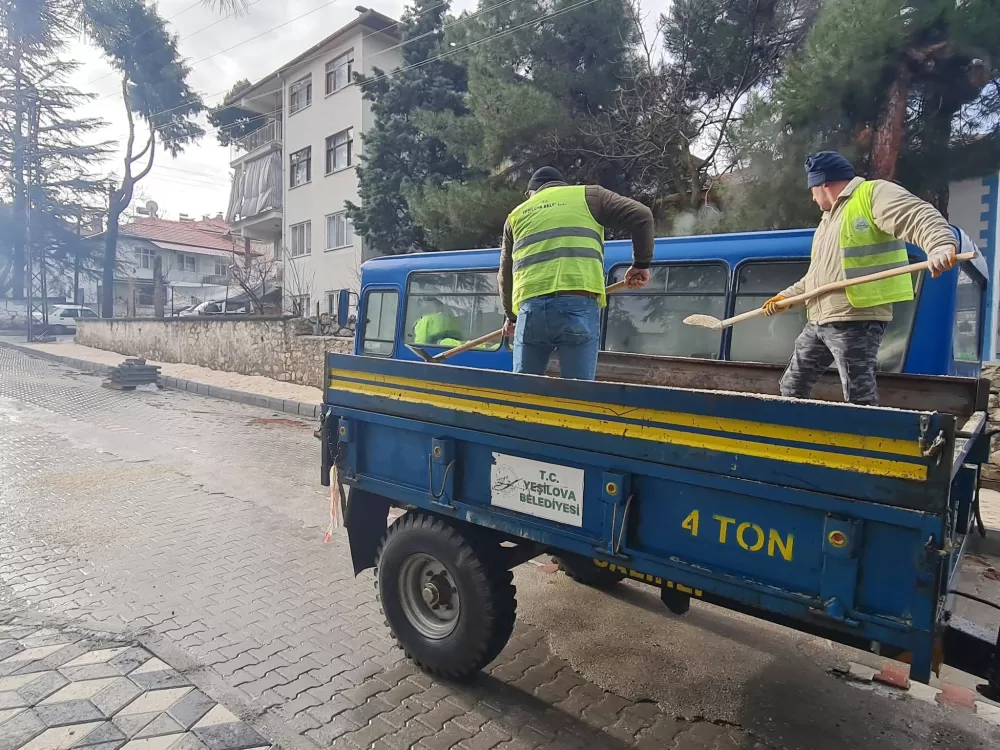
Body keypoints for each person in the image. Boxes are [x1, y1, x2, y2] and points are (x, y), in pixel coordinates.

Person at [763, 151, 958, 405]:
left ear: (824, 184)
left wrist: (940, 244)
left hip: (857, 319)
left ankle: (864, 441)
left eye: (812, 189)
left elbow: (916, 215)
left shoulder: (871, 194)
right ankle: (794, 434)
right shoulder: (828, 221)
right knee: (791, 386)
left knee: (858, 395)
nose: (812, 197)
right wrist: (786, 297)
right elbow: (818, 278)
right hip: (821, 319)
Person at [498, 167, 654, 380]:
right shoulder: (589, 196)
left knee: (524, 391)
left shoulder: (516, 215)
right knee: (577, 392)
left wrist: (511, 316)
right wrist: (641, 263)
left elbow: (505, 275)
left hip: (530, 311)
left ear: (531, 192)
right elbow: (642, 216)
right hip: (577, 306)